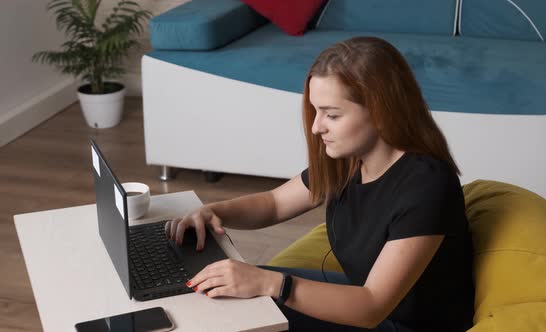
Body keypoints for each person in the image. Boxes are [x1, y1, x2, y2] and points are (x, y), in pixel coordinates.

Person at [165, 36, 474, 332]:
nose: (315, 127)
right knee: (218, 288)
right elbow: (274, 204)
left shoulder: (427, 186)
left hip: (403, 323)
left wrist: (269, 283)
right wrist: (213, 211)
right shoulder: (350, 159)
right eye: (316, 111)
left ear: (382, 112)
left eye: (332, 115)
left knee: (244, 302)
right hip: (361, 296)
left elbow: (372, 306)